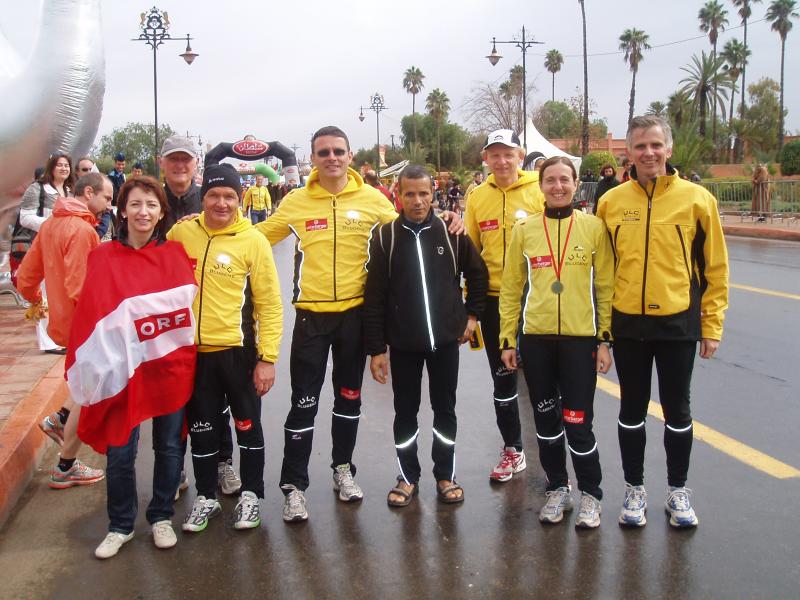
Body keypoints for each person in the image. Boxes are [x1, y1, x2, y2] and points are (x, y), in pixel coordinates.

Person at [256, 125, 463, 522]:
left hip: (355, 317)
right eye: (323, 152)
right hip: (311, 317)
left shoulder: (372, 199)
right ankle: (294, 486)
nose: (331, 157)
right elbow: (258, 237)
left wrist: (448, 217)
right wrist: (213, 230)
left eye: (338, 151)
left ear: (350, 156)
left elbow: (412, 220)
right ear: (313, 159)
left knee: (349, 400)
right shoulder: (297, 202)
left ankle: (343, 470)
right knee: (304, 403)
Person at [596, 115, 729, 529]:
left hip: (677, 323)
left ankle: (677, 490)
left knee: (678, 409)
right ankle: (634, 489)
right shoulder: (611, 202)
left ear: (668, 150)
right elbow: (602, 271)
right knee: (631, 410)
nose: (648, 153)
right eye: (640, 146)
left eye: (656, 145)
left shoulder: (697, 200)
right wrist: (602, 333)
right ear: (629, 153)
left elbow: (715, 268)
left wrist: (711, 325)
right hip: (628, 324)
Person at [65, 176, 198, 559]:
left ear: (161, 212)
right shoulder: (103, 257)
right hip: (121, 372)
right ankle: (120, 525)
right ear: (122, 209)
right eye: (136, 204)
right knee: (121, 449)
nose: (143, 212)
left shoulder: (174, 254)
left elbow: (182, 316)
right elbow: (91, 317)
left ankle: (160, 516)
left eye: (151, 205)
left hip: (168, 366)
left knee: (170, 444)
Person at [363, 164, 488, 507]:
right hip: (403, 344)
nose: (417, 201)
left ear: (433, 194)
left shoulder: (452, 232)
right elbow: (373, 297)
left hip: (446, 341)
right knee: (406, 412)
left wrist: (472, 316)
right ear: (398, 195)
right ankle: (407, 477)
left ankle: (445, 474)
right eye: (409, 194)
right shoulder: (385, 237)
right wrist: (376, 349)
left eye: (423, 194)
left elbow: (478, 275)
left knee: (445, 409)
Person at [499, 156, 614, 528]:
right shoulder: (526, 230)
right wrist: (507, 338)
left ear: (577, 183)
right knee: (546, 422)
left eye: (565, 179)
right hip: (537, 340)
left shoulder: (594, 228)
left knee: (578, 423)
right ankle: (557, 487)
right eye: (550, 180)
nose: (558, 186)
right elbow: (511, 287)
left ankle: (591, 495)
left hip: (580, 341)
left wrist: (605, 339)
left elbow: (606, 287)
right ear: (541, 185)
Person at [168, 163, 283, 533]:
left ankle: (251, 496)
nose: (222, 203)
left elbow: (269, 304)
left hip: (239, 353)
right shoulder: (181, 233)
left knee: (247, 426)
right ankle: (206, 497)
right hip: (194, 354)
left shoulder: (253, 241)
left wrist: (268, 358)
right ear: (202, 198)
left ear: (240, 199)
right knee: (201, 429)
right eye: (214, 195)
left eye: (229, 196)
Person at [16, 172, 111, 489]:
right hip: (83, 325)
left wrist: (37, 302)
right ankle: (65, 466)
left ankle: (59, 422)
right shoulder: (82, 229)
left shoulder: (51, 224)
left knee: (85, 387)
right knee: (88, 392)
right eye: (107, 198)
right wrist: (100, 326)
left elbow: (26, 276)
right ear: (88, 193)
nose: (109, 206)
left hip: (61, 322)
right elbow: (80, 287)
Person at [159, 134, 242, 495]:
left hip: (210, 322)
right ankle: (174, 469)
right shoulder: (151, 198)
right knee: (172, 403)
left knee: (215, 403)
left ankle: (223, 462)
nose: (180, 165)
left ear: (196, 166)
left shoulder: (209, 198)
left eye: (186, 160)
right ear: (162, 163)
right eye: (173, 159)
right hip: (165, 323)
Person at [464, 128, 545, 482]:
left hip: (537, 301)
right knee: (503, 380)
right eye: (494, 154)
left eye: (507, 153)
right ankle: (513, 449)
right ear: (486, 158)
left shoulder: (540, 189)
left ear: (520, 154)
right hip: (495, 302)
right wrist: (470, 306)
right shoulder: (477, 197)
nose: (501, 160)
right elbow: (471, 253)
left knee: (545, 383)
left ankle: (553, 458)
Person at [19, 153, 75, 354]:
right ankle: (48, 341)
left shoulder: (69, 191)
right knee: (44, 292)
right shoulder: (37, 189)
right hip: (43, 246)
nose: (63, 168)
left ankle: (63, 335)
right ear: (51, 168)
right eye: (59, 165)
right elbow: (25, 217)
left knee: (62, 292)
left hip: (65, 248)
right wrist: (52, 224)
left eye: (66, 165)